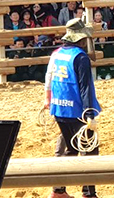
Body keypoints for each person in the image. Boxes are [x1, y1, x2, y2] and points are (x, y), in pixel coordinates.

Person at [44, 18, 100, 198]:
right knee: (90, 149)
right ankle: (88, 193)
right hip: (77, 110)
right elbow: (85, 88)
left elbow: (50, 78)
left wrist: (49, 100)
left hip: (60, 108)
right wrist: (90, 113)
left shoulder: (58, 54)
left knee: (70, 148)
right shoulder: (81, 57)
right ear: (82, 38)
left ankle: (58, 189)